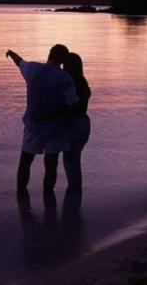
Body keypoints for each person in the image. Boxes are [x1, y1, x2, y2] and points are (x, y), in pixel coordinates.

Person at [6, 45, 78, 193]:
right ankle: (48, 199)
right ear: (63, 61)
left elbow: (20, 62)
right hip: (56, 128)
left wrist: (12, 54)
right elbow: (72, 104)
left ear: (49, 55)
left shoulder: (33, 69)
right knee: (51, 165)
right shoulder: (65, 78)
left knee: (25, 161)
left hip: (33, 126)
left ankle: (21, 196)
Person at [61, 52, 91, 192]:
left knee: (70, 162)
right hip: (84, 124)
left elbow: (72, 108)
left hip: (75, 125)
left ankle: (74, 196)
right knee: (74, 162)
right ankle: (75, 198)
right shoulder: (83, 83)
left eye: (64, 65)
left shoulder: (70, 84)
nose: (62, 68)